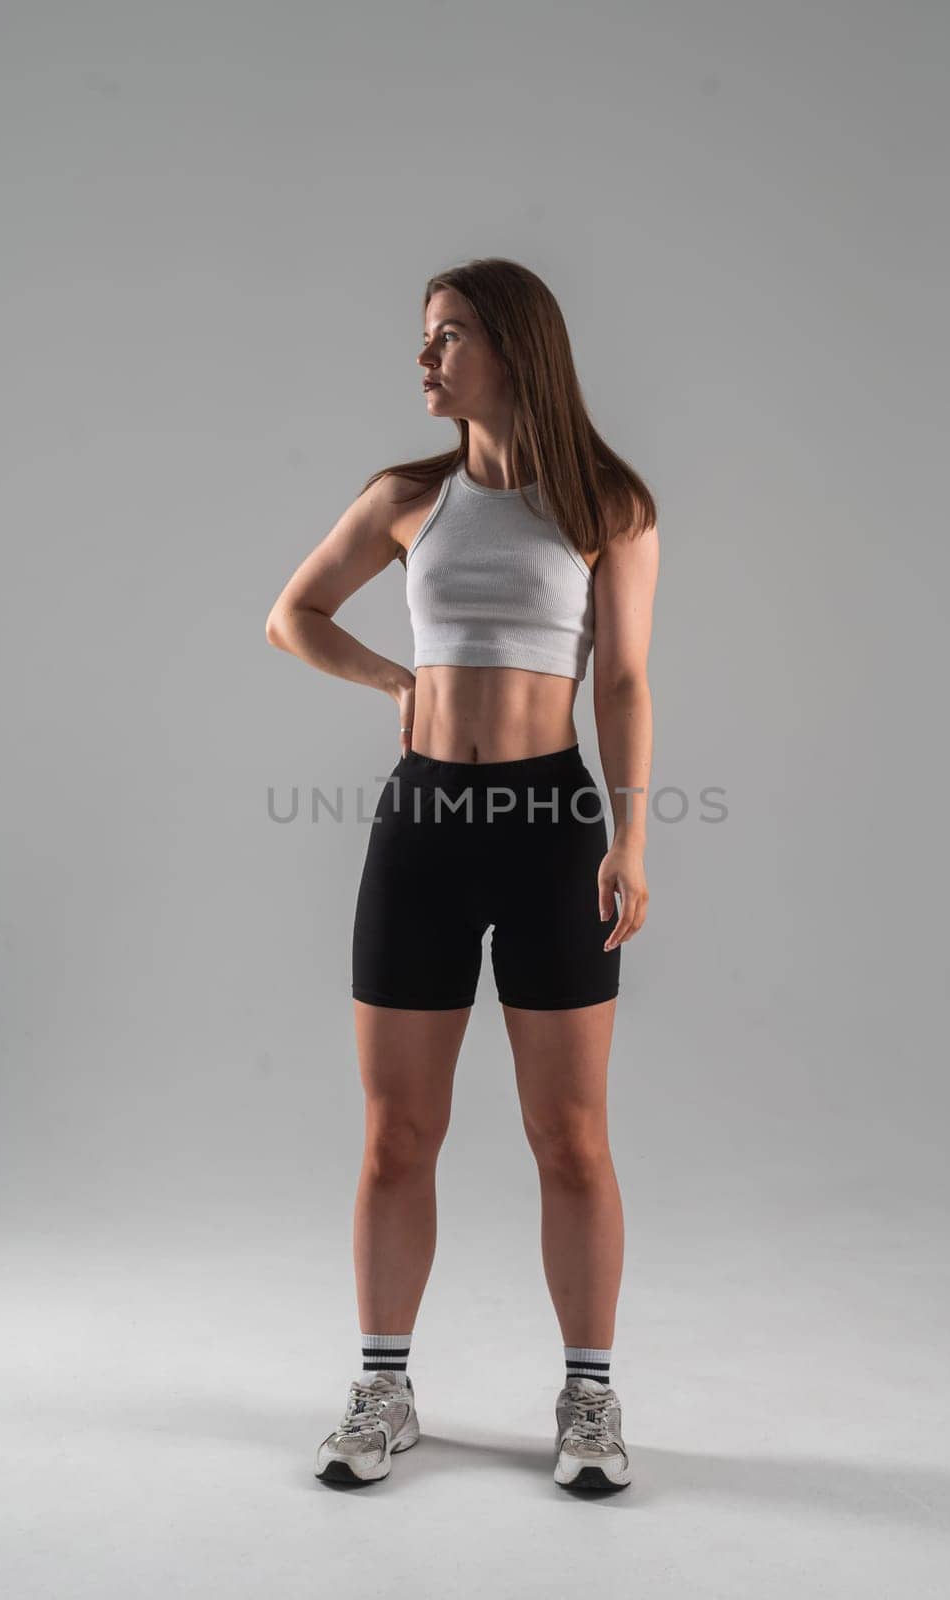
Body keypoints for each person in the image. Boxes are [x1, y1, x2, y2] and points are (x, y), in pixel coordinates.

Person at [266, 258, 659, 1491]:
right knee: (398, 1134)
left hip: (551, 826)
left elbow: (625, 680)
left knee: (571, 1137)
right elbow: (294, 614)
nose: (426, 358)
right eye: (424, 337)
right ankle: (384, 1387)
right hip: (424, 826)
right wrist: (399, 682)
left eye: (449, 336)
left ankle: (588, 1399)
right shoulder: (405, 498)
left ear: (514, 348)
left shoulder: (607, 503)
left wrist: (631, 839)